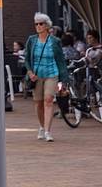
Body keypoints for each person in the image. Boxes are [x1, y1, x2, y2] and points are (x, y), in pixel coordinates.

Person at [24, 13, 69, 143]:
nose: (38, 26)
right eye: (36, 24)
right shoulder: (31, 40)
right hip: (36, 76)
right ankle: (42, 127)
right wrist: (30, 72)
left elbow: (61, 60)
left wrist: (63, 79)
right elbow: (27, 59)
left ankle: (48, 131)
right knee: (38, 103)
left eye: (41, 23)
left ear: (47, 25)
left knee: (48, 100)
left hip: (51, 73)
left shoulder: (55, 42)